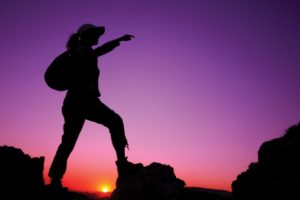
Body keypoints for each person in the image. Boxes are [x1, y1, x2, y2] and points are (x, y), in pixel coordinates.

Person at [48, 24, 143, 190]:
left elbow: (99, 51)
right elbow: (95, 52)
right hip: (82, 100)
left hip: (74, 102)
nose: (98, 37)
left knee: (68, 141)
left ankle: (55, 178)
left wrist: (118, 40)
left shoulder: (82, 51)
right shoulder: (81, 51)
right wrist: (117, 41)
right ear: (86, 35)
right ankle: (122, 166)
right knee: (115, 122)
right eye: (95, 34)